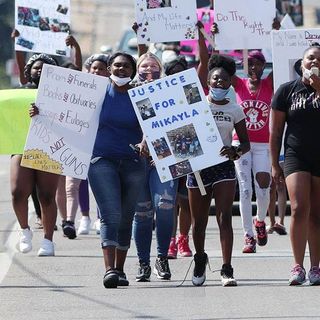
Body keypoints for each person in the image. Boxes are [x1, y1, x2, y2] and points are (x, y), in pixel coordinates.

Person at [189, 54, 250, 287]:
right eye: (215, 79)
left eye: (223, 81)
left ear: (230, 83)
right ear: (208, 81)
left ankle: (227, 268)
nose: (218, 84)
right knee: (199, 222)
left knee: (224, 217)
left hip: (223, 168)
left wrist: (235, 151)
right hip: (198, 168)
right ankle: (200, 258)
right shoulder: (197, 105)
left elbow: (245, 143)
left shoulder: (236, 110)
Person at [88, 52, 145, 289]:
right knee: (110, 214)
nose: (121, 70)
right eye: (117, 66)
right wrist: (39, 112)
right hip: (101, 161)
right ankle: (109, 269)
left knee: (126, 217)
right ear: (109, 68)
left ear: (133, 71)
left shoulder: (141, 96)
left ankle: (120, 269)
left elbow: (155, 124)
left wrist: (146, 141)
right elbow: (65, 109)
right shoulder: (94, 93)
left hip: (133, 162)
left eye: (127, 66)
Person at [270, 44, 320, 286]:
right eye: (310, 58)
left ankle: (316, 267)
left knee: (317, 214)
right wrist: (274, 164)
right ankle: (298, 266)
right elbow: (276, 130)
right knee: (299, 208)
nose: (314, 62)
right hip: (295, 156)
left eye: (319, 59)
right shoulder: (287, 91)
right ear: (302, 62)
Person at [132, 52, 178, 282]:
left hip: (165, 158)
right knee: (142, 213)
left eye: (153, 65)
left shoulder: (170, 91)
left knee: (164, 205)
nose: (148, 69)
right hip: (137, 161)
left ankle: (162, 257)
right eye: (143, 65)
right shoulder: (127, 92)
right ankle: (143, 262)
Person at [12, 53, 60, 256]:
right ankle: (25, 231)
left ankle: (48, 241)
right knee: (17, 192)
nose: (40, 71)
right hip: (21, 147)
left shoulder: (61, 95)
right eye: (36, 68)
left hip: (50, 148)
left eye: (45, 68)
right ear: (28, 71)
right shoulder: (20, 93)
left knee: (47, 195)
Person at [161, 56, 193, 259]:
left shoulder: (191, 92)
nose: (177, 77)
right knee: (169, 200)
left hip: (187, 148)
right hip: (165, 151)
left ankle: (183, 239)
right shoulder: (159, 93)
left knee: (185, 200)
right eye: (173, 74)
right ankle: (170, 241)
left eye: (180, 73)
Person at [267, 158, 287, 235]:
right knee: (270, 188)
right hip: (267, 154)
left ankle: (281, 222)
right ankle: (272, 222)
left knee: (280, 185)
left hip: (281, 154)